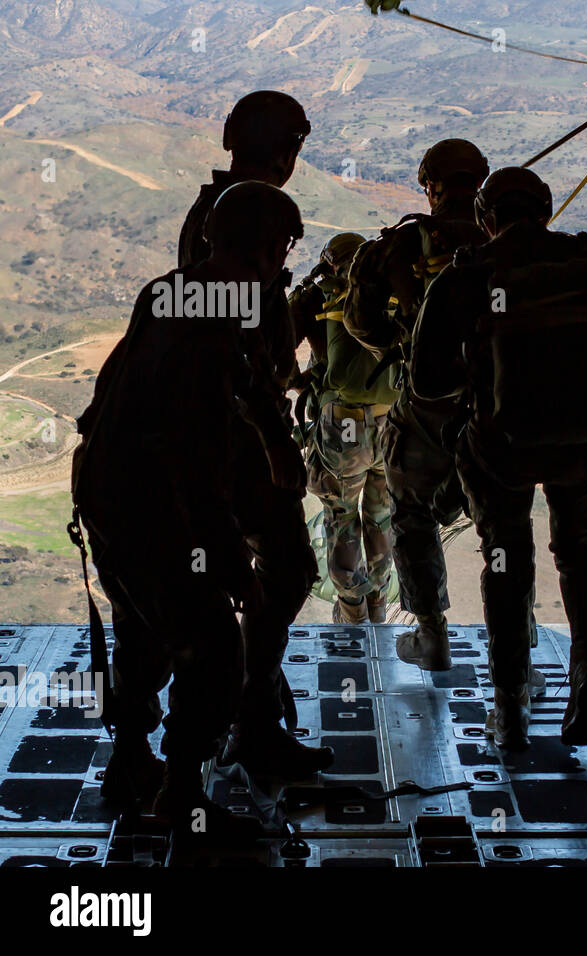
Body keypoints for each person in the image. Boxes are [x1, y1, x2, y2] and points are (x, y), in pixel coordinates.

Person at [408, 167, 587, 750]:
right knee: (579, 551)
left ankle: (510, 710)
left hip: (500, 449)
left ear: (488, 218)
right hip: (586, 442)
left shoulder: (470, 274)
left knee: (506, 565)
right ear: (547, 209)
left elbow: (425, 383)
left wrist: (476, 376)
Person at [71, 183, 306, 840]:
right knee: (213, 647)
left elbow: (120, 387)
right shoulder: (218, 322)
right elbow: (196, 458)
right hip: (151, 501)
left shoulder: (169, 289)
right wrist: (230, 559)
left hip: (106, 489)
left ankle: (134, 764)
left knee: (144, 628)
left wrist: (269, 430)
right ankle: (182, 799)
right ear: (268, 247)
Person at [176, 90, 331, 780]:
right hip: (236, 440)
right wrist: (273, 439)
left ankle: (245, 712)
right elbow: (239, 352)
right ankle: (250, 717)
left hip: (221, 433)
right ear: (287, 148)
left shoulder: (220, 210)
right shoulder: (247, 214)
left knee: (244, 578)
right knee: (289, 568)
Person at [341, 139, 488, 668]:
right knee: (504, 521)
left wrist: (404, 346)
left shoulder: (403, 244)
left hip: (427, 405)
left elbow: (361, 321)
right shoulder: (508, 239)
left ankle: (433, 635)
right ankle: (518, 641)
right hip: (498, 403)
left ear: (431, 185)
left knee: (412, 514)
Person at [296, 232, 398, 624]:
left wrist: (305, 381)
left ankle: (352, 609)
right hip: (390, 421)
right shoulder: (391, 295)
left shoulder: (322, 296)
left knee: (341, 515)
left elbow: (278, 346)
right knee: (381, 515)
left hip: (344, 428)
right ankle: (376, 605)